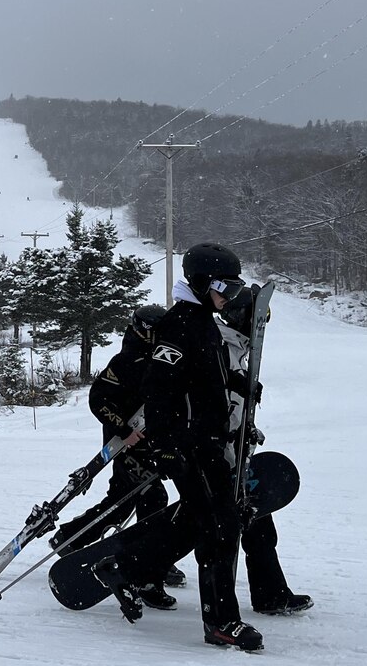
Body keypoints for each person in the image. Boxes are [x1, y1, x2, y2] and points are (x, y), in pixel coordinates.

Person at [94, 242, 263, 651]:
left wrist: (238, 384)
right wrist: (169, 447)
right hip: (190, 447)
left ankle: (121, 568)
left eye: (236, 287)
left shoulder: (204, 322)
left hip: (207, 443)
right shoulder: (181, 325)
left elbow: (204, 379)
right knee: (220, 529)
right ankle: (221, 622)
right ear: (204, 283)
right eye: (226, 286)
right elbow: (160, 390)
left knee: (195, 522)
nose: (231, 295)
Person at [50, 304, 180, 610]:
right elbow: (98, 399)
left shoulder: (163, 357)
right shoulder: (125, 361)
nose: (159, 337)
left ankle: (70, 538)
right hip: (125, 444)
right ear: (139, 330)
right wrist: (123, 430)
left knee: (120, 503)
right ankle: (147, 573)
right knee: (152, 500)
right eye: (154, 332)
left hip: (152, 443)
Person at [217, 285, 313, 617]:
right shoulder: (222, 350)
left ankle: (270, 595)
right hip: (216, 461)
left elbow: (233, 409)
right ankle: (145, 571)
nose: (262, 327)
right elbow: (212, 409)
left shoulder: (236, 351)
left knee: (258, 524)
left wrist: (246, 428)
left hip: (233, 456)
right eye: (260, 319)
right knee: (206, 529)